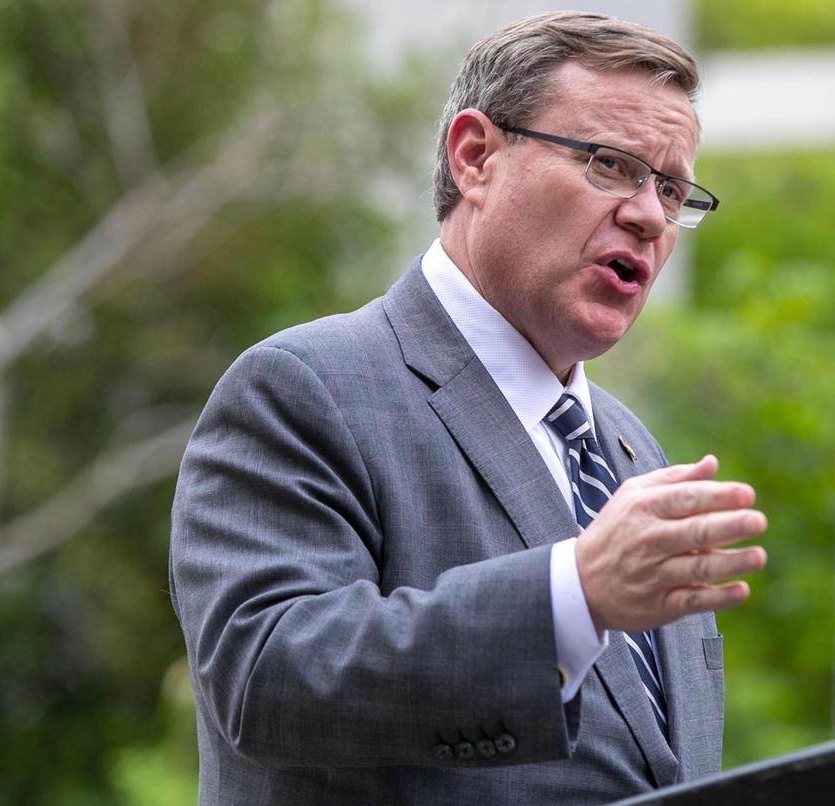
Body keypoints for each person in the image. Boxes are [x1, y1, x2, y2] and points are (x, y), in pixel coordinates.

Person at [169, 11, 769, 805]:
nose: (650, 216)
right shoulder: (304, 388)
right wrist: (572, 596)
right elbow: (265, 677)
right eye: (611, 164)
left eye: (670, 189)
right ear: (476, 156)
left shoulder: (634, 453)